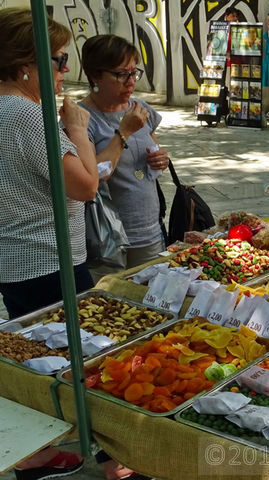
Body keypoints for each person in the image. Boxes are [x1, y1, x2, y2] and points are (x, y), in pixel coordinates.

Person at [0, 8, 96, 479]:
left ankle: (40, 455)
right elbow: (85, 186)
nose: (65, 71)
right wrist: (76, 129)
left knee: (36, 360)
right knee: (65, 366)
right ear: (25, 63)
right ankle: (51, 459)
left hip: (15, 259)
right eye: (59, 60)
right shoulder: (24, 114)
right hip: (48, 259)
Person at [79, 34, 170, 281]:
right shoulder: (81, 119)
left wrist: (161, 159)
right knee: (113, 312)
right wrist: (125, 131)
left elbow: (153, 149)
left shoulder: (140, 109)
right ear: (95, 76)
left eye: (134, 72)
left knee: (153, 302)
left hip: (150, 231)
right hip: (108, 241)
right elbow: (95, 175)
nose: (131, 82)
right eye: (121, 74)